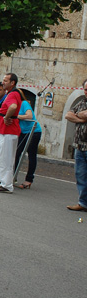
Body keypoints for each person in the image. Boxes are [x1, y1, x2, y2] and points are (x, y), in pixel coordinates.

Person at [0, 73, 22, 194]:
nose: (3, 82)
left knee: (6, 158)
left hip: (8, 130)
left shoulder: (13, 94)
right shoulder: (12, 93)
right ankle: (4, 182)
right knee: (4, 157)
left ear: (12, 83)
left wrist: (6, 117)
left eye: (5, 81)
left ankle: (7, 184)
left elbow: (13, 106)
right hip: (5, 130)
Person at [64, 79, 87, 212]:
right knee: (81, 175)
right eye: (85, 89)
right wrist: (81, 118)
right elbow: (68, 114)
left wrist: (80, 115)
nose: (86, 92)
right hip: (79, 146)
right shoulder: (82, 102)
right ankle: (83, 203)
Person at [13, 91, 42, 189]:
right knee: (16, 153)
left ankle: (29, 179)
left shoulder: (24, 103)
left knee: (31, 154)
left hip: (33, 131)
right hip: (23, 132)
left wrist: (17, 116)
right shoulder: (13, 105)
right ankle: (13, 177)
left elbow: (29, 116)